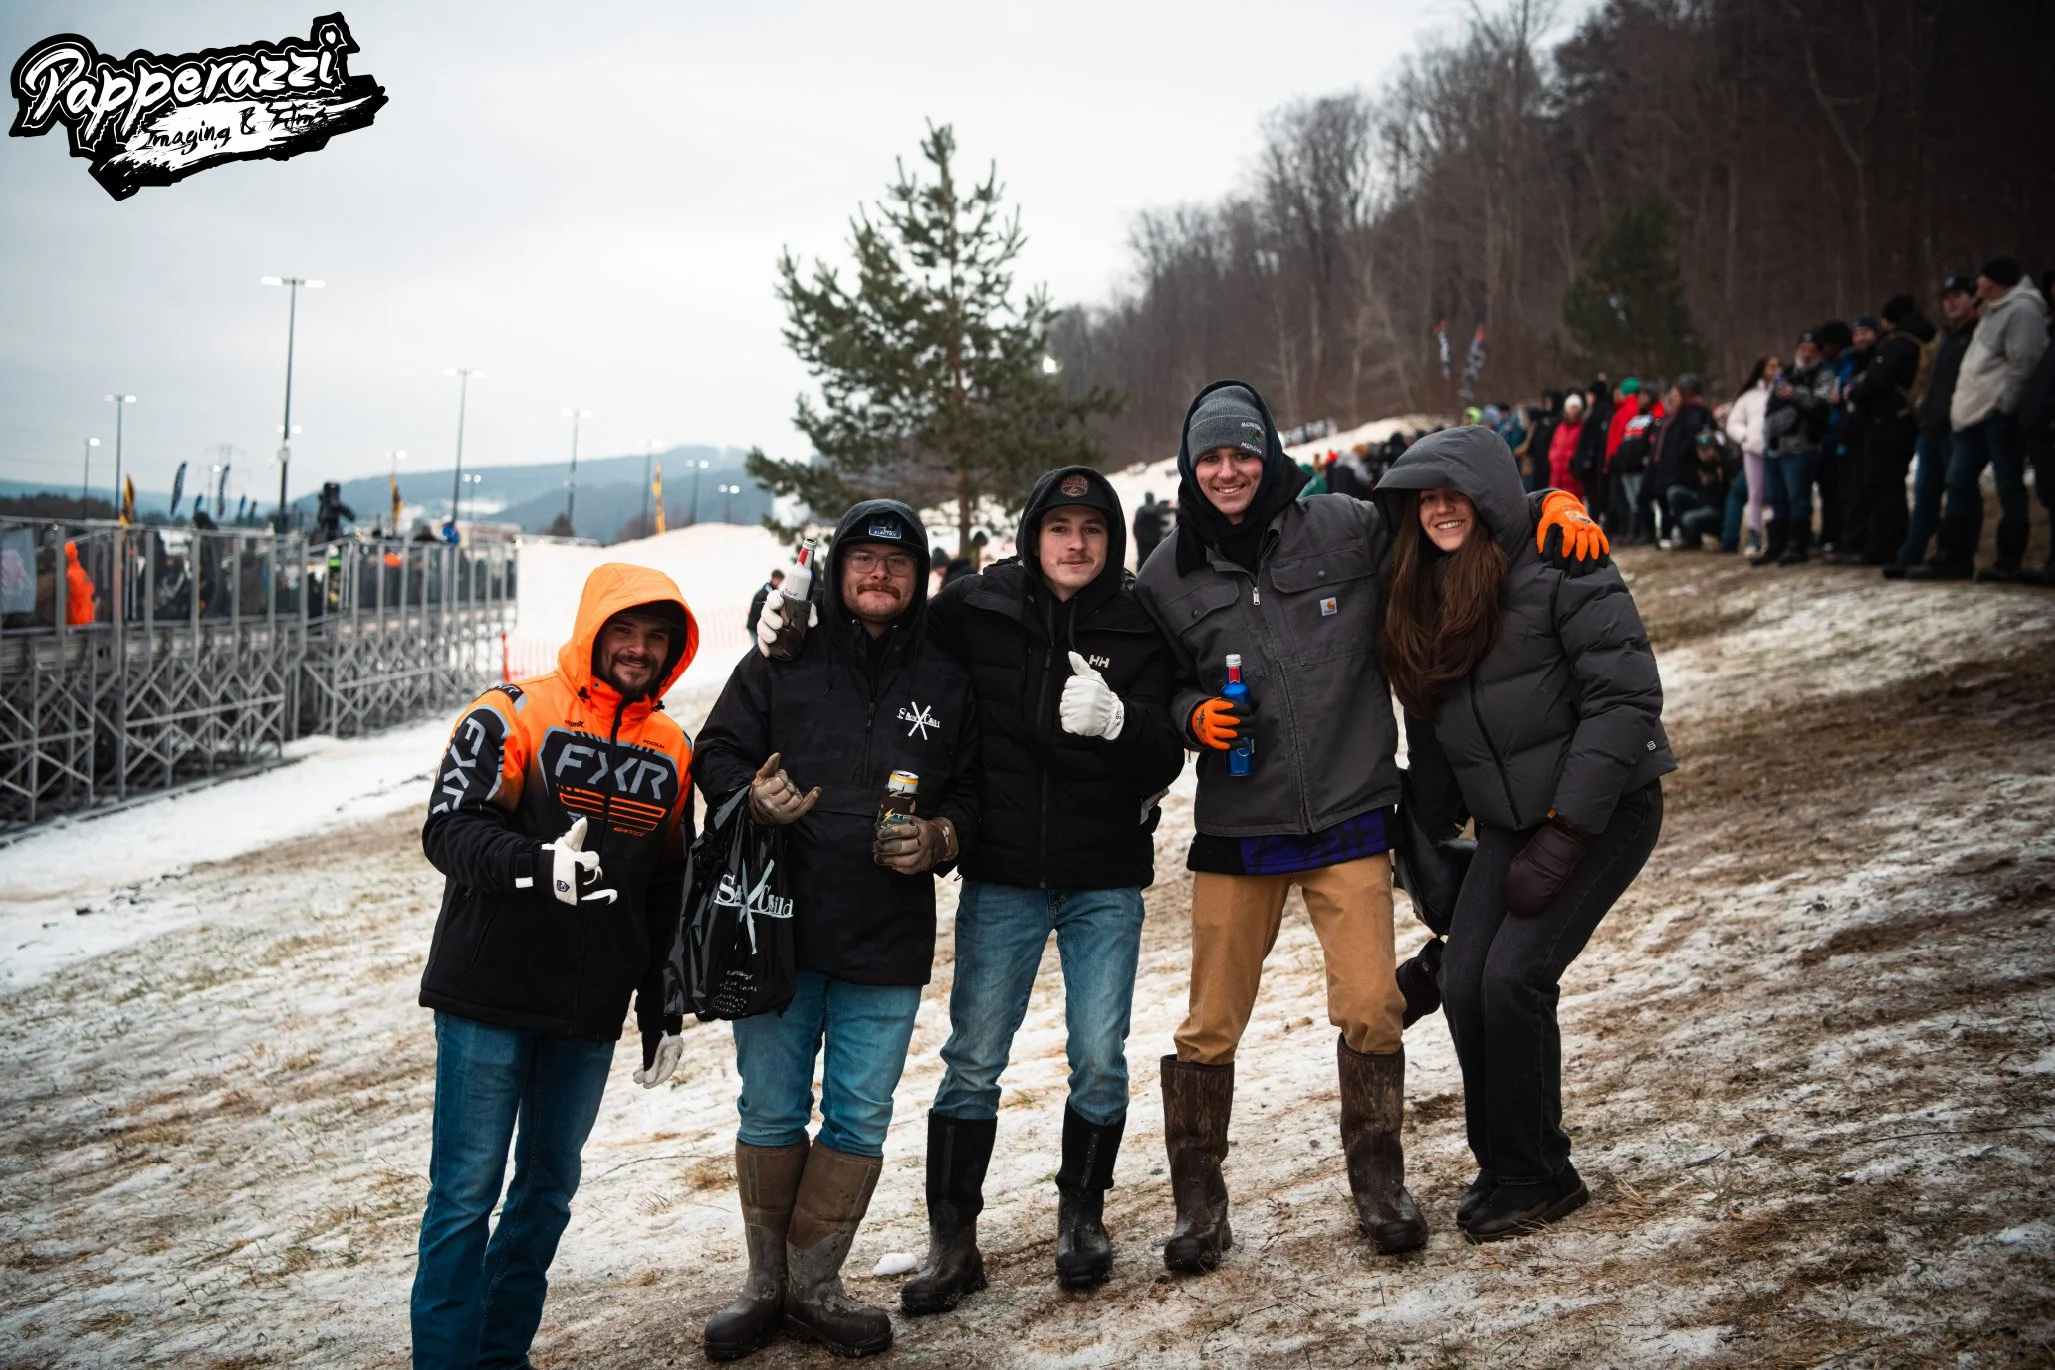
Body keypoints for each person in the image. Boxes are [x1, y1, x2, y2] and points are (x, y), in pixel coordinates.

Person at [1133, 382, 1607, 1275]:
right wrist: (1192, 712)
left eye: (1242, 453)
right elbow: (1152, 689)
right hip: (1239, 828)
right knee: (1208, 1026)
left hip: (1350, 814)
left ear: (1269, 454)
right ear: (1191, 468)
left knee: (1371, 1009)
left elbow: (1449, 520)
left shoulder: (1346, 527)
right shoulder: (1163, 573)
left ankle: (1379, 1188)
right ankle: (1199, 1210)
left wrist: (1550, 501)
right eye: (1210, 458)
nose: (1228, 471)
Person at [1374, 426, 1670, 1242]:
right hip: (1510, 820)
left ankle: (1542, 1172)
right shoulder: (1420, 589)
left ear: (1488, 497)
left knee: (1512, 978)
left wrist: (1568, 829)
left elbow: (1624, 699)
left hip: (1603, 807)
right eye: (1425, 499)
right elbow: (1431, 731)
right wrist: (1426, 836)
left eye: (1455, 494)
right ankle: (1506, 1162)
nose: (1440, 510)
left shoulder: (1560, 557)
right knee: (1466, 979)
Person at [901, 466, 1185, 1312]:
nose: (1075, 543)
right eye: (1059, 527)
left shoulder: (1138, 620)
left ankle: (1081, 1217)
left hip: (1103, 876)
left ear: (1112, 540)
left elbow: (1165, 753)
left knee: (1098, 1058)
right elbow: (888, 643)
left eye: (1092, 529)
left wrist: (1121, 722)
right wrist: (792, 635)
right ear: (1032, 535)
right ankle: (953, 1242)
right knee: (973, 1060)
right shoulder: (974, 607)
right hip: (1002, 873)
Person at [700, 499, 979, 1360]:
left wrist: (941, 838)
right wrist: (750, 796)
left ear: (920, 576)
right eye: (863, 558)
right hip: (777, 926)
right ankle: (763, 1288)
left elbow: (975, 792)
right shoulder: (783, 656)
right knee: (770, 1106)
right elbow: (715, 750)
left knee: (858, 1115)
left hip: (885, 937)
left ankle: (816, 1287)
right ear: (836, 569)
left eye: (897, 562)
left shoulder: (948, 676)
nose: (879, 574)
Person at [411, 565, 699, 1370]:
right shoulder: (511, 713)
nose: (638, 649)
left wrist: (660, 1007)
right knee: (464, 1196)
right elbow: (448, 830)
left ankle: (501, 1357)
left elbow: (667, 890)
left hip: (586, 1012)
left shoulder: (671, 748)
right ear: (593, 632)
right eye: (623, 632)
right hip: (488, 995)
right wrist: (535, 864)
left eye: (655, 637)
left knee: (544, 1195)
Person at [1923, 256, 2051, 582]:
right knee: (1958, 481)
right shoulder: (1992, 312)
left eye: (1981, 278)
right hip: (1971, 418)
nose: (1977, 283)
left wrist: (2005, 407)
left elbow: (2025, 363)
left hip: (1997, 416)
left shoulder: (2022, 310)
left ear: (1994, 281)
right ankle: (1955, 557)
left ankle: (2009, 560)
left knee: (2008, 485)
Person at [1888, 276, 1980, 577]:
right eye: (1946, 298)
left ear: (1973, 297)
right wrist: (1919, 405)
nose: (1950, 303)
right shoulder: (1943, 338)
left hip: (1958, 424)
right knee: (1925, 492)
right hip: (1930, 425)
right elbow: (1925, 379)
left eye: (1957, 296)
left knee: (1960, 489)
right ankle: (1911, 553)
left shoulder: (1978, 334)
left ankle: (1954, 556)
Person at [1845, 296, 1937, 565]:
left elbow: (1876, 381)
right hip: (1905, 420)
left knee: (1883, 487)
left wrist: (1854, 391)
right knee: (1891, 487)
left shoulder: (1896, 344)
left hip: (1887, 424)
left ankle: (1884, 546)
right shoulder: (1921, 340)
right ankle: (1895, 543)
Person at [1759, 332, 1838, 566]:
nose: (1807, 353)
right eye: (1803, 348)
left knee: (1798, 496)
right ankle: (1777, 543)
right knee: (1776, 496)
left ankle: (1797, 544)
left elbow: (1822, 406)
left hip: (1802, 444)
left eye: (1812, 349)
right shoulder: (1785, 373)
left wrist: (1796, 395)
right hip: (1776, 444)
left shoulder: (1824, 374)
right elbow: (1771, 404)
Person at [1650, 377, 1714, 548]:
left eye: (1676, 395)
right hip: (1673, 468)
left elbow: (1692, 440)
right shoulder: (1675, 417)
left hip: (1685, 469)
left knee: (1677, 499)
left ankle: (1689, 534)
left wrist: (1679, 454)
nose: (1672, 399)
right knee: (1671, 500)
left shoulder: (1692, 414)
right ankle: (1683, 534)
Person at [1726, 357, 1777, 557]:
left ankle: (1776, 533)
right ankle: (1754, 534)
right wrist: (1745, 436)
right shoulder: (1749, 396)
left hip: (1777, 447)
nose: (1775, 370)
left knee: (1775, 493)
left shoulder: (1783, 391)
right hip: (1753, 449)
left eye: (1778, 366)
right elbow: (1733, 422)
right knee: (1755, 493)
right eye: (1771, 366)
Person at [1547, 392, 1587, 500]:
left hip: (1572, 477)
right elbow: (1553, 447)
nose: (1574, 411)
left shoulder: (1582, 428)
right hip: (1556, 475)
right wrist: (1553, 459)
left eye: (1576, 408)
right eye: (1571, 408)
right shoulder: (1560, 428)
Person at [746, 568, 785, 639]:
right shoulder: (766, 593)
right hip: (756, 626)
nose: (780, 583)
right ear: (775, 578)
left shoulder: (770, 590)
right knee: (759, 645)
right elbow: (760, 611)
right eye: (780, 580)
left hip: (758, 626)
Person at [1133, 492, 1170, 566]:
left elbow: (1136, 526)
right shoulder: (1157, 509)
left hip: (1143, 540)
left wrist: (1138, 537)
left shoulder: (1141, 510)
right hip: (1155, 539)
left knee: (1143, 560)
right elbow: (1162, 522)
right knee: (1155, 559)